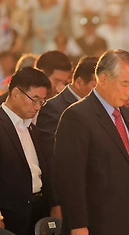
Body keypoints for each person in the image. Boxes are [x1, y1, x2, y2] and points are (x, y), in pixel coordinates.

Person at [54, 50, 129, 235]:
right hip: (94, 231)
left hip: (128, 230)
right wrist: (78, 224)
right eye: (125, 83)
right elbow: (70, 176)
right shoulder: (78, 115)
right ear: (103, 79)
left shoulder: (127, 116)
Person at [0, 67, 51, 235]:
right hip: (11, 216)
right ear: (16, 93)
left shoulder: (32, 127)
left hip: (39, 211)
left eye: (42, 102)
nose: (38, 107)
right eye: (35, 100)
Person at [36, 56, 98, 219]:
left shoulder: (99, 107)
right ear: (78, 82)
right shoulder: (54, 109)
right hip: (68, 200)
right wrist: (56, 202)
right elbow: (52, 160)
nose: (99, 91)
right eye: (95, 85)